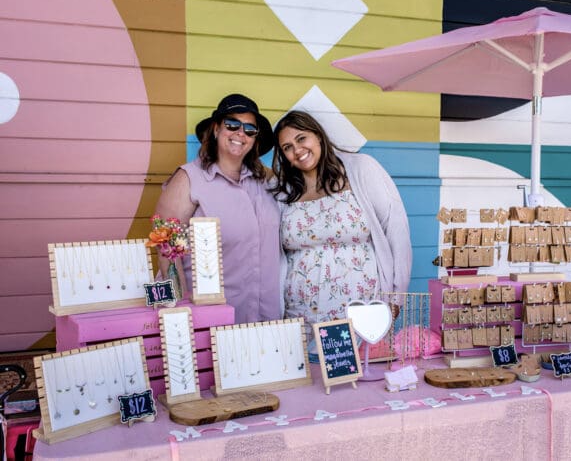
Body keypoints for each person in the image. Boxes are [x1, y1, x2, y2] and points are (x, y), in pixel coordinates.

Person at [270, 110, 412, 342]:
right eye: (287, 147)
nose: (297, 150)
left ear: (318, 136)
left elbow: (397, 232)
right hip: (300, 315)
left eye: (301, 138)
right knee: (306, 366)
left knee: (363, 366)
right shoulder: (281, 190)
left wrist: (396, 298)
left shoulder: (361, 169)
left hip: (362, 312)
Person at [153, 93, 281, 323]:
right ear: (215, 129)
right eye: (232, 124)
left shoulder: (266, 181)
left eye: (250, 129)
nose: (240, 133)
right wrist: (180, 312)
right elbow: (166, 246)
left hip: (265, 317)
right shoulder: (189, 178)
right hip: (210, 318)